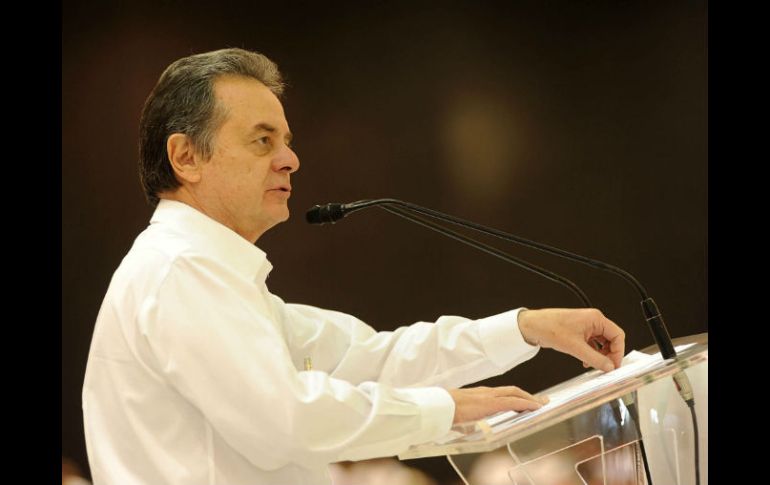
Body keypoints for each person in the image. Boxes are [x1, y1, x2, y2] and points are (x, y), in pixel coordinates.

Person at [82, 48, 625, 485]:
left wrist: (526, 328)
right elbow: (286, 420)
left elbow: (368, 360)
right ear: (186, 157)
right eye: (262, 140)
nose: (290, 159)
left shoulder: (210, 275)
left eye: (286, 142)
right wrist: (444, 409)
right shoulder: (180, 270)